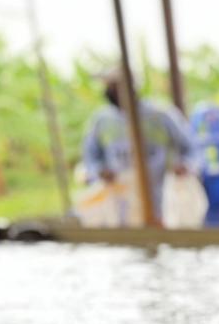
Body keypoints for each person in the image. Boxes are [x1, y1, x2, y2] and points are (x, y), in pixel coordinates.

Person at [81, 73, 200, 221]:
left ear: (132, 87)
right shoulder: (102, 121)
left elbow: (192, 148)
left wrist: (185, 166)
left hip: (162, 199)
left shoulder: (161, 115)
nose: (110, 91)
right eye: (109, 87)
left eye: (115, 87)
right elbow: (90, 157)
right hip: (121, 204)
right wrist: (100, 171)